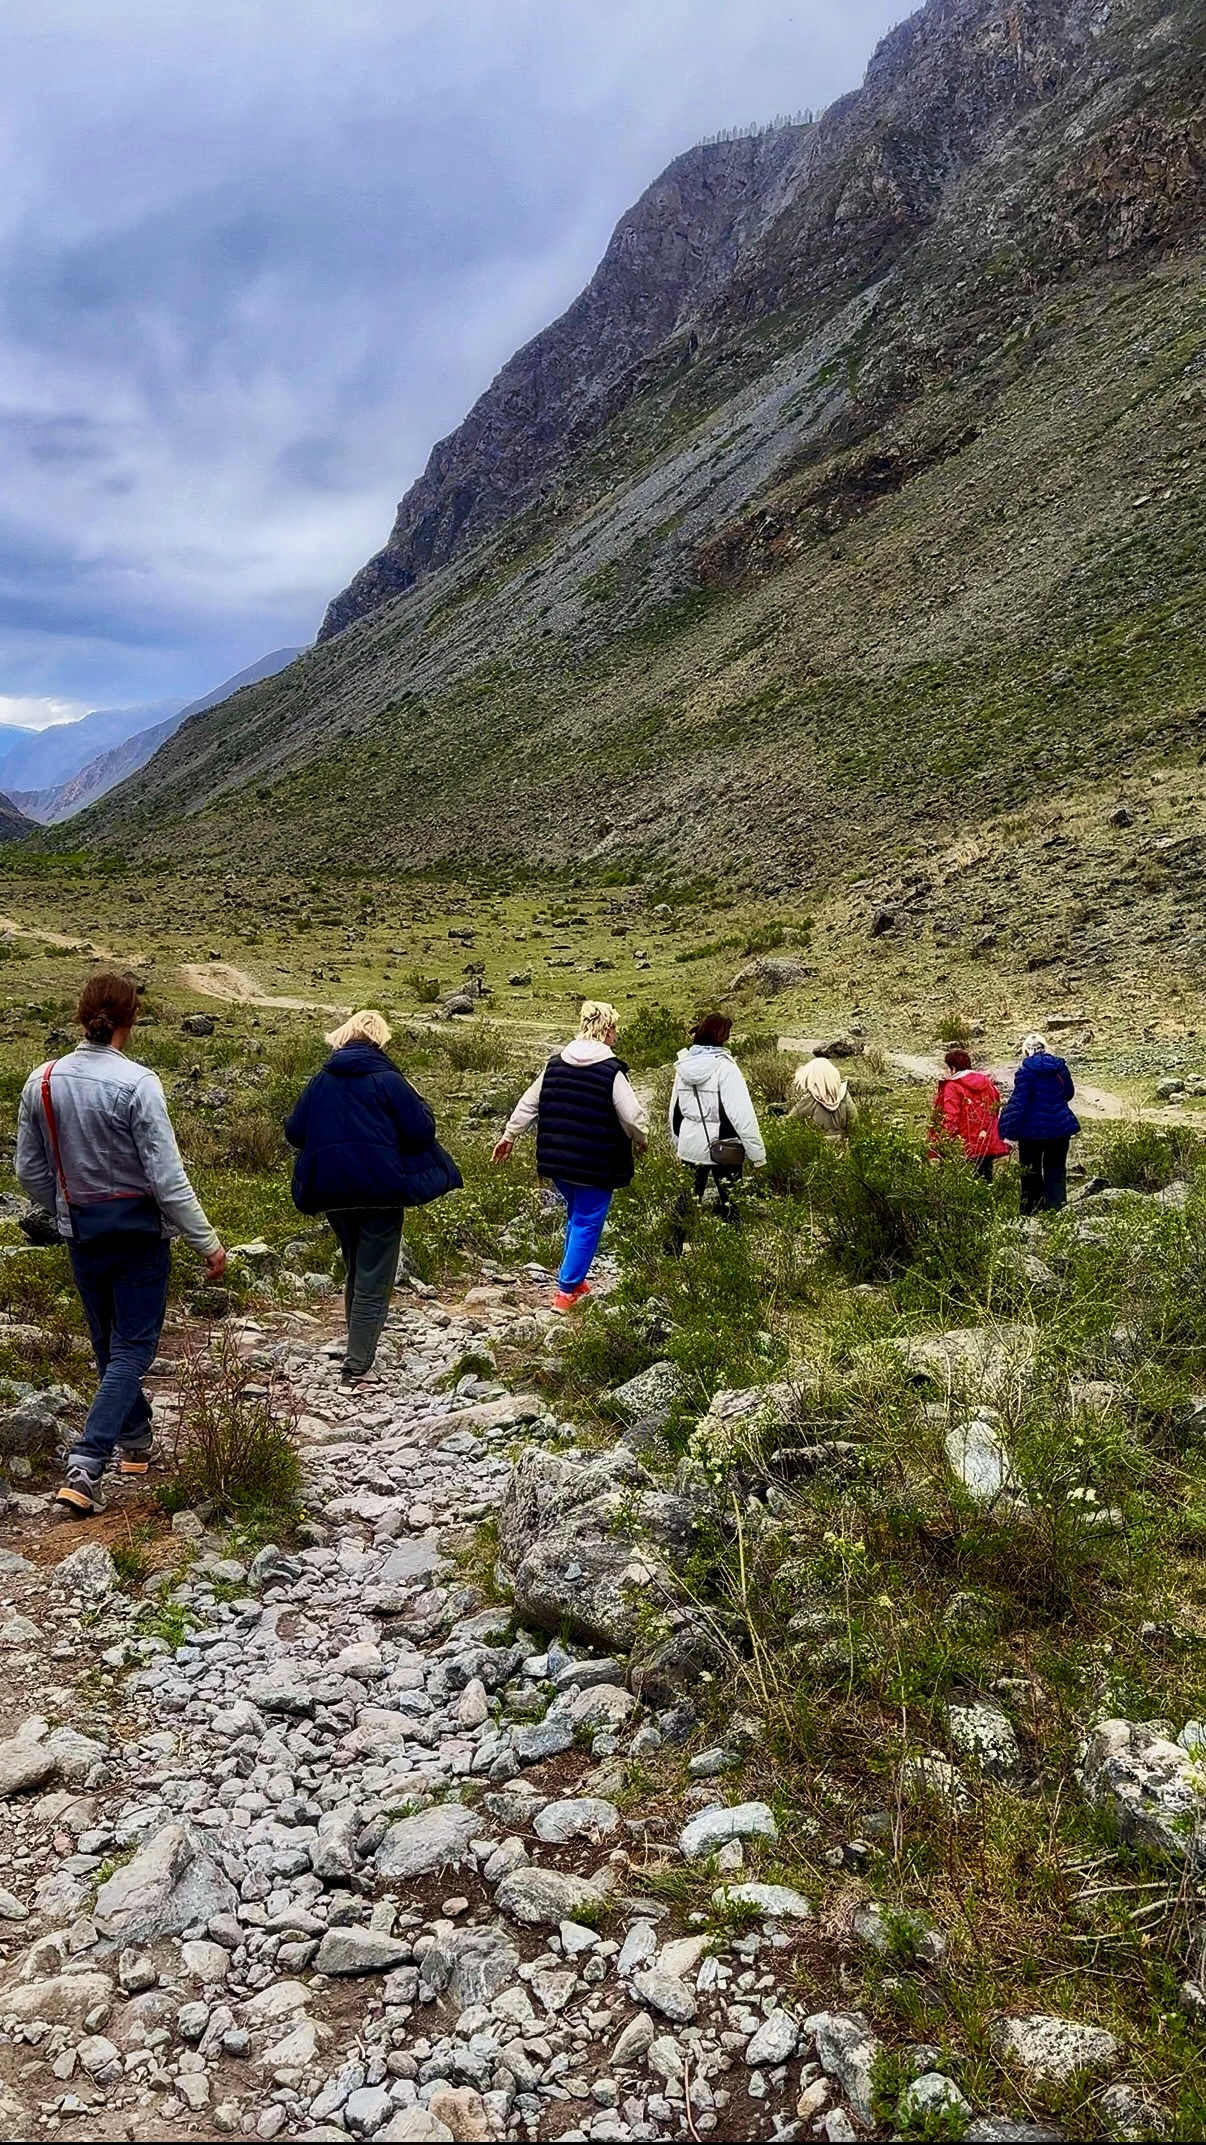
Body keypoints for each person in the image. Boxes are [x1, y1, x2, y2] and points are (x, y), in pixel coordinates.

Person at [15, 971, 226, 1519]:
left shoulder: (42, 1080)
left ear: (81, 1015)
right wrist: (207, 1242)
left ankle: (135, 1439)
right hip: (139, 1236)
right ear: (130, 1020)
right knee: (132, 1348)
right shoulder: (138, 1084)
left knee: (108, 1345)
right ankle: (87, 1463)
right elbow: (167, 1178)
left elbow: (29, 1170)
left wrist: (66, 1205)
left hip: (82, 1231)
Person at [285, 1011, 462, 1382]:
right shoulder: (389, 1079)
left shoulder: (320, 1079)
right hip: (382, 1187)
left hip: (332, 1188)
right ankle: (357, 1361)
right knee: (374, 1273)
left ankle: (357, 1345)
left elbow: (294, 1132)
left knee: (355, 1265)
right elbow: (420, 1132)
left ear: (343, 1037)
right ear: (380, 1039)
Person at [492, 1000, 648, 1311]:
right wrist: (642, 1139)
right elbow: (632, 1117)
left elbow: (528, 1104)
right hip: (597, 1163)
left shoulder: (555, 1065)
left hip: (557, 1161)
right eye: (614, 1028)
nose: (616, 1034)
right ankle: (566, 1292)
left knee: (577, 1215)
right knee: (588, 1221)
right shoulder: (611, 1071)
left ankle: (575, 1279)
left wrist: (509, 1136)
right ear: (607, 1030)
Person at [668, 1014, 765, 1223]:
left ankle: (675, 1240)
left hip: (690, 1144)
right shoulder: (726, 1068)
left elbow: (674, 1110)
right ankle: (734, 1241)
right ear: (722, 1037)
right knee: (732, 1202)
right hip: (724, 1145)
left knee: (687, 1201)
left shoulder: (683, 1067)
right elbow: (741, 1114)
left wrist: (678, 1142)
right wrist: (757, 1154)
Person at [998, 1032, 1080, 1213]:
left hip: (1031, 1133)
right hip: (1060, 1129)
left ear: (1027, 1050)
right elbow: (1068, 1094)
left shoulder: (1025, 1072)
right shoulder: (1060, 1068)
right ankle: (1056, 1209)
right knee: (1056, 1170)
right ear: (1045, 1047)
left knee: (1030, 1172)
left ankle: (1032, 1210)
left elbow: (1019, 1103)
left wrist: (1008, 1131)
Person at [930, 1048, 1010, 1180]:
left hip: (963, 1144)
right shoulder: (987, 1082)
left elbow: (951, 1116)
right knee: (985, 1178)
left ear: (953, 1068)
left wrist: (942, 1141)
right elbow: (995, 1107)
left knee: (962, 1182)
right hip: (986, 1141)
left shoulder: (952, 1086)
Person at [790, 1054, 858, 1141]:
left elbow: (791, 1120)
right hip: (841, 1143)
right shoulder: (843, 1095)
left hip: (817, 1143)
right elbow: (854, 1120)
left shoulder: (810, 1098)